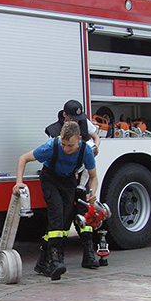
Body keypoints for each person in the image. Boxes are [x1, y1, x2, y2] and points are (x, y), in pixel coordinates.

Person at [13, 121, 98, 280]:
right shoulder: (51, 146)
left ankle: (43, 261)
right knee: (56, 213)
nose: (66, 149)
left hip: (69, 181)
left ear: (79, 139)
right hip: (50, 179)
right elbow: (23, 158)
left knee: (64, 219)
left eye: (70, 146)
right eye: (64, 144)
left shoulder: (86, 150)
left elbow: (93, 177)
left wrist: (92, 193)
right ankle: (54, 260)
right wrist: (19, 182)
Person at [46, 99, 102, 268]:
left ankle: (89, 254)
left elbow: (95, 137)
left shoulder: (83, 124)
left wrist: (95, 147)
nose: (77, 121)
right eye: (73, 118)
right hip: (66, 176)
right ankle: (56, 256)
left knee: (86, 213)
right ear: (64, 115)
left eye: (79, 118)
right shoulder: (54, 131)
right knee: (62, 216)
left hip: (83, 176)